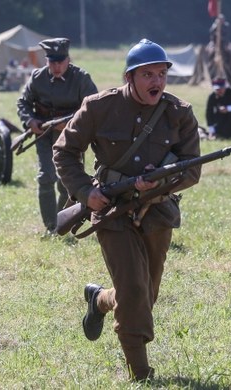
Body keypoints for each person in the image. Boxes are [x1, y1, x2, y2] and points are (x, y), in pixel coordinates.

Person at [53, 38, 201, 381]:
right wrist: (84, 192)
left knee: (145, 293)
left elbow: (191, 170)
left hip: (157, 212)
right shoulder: (98, 107)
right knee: (135, 292)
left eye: (162, 74)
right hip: (112, 209)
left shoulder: (179, 113)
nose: (157, 82)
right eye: (148, 74)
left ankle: (101, 299)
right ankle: (141, 374)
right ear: (129, 76)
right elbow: (64, 151)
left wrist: (159, 184)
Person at [17, 38, 98, 235]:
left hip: (71, 138)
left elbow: (95, 107)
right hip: (44, 134)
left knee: (67, 183)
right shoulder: (37, 78)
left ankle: (61, 222)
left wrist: (71, 124)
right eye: (52, 62)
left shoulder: (81, 78)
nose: (56, 67)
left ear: (68, 60)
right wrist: (30, 121)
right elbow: (23, 103)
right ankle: (50, 226)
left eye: (60, 62)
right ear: (46, 61)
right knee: (46, 177)